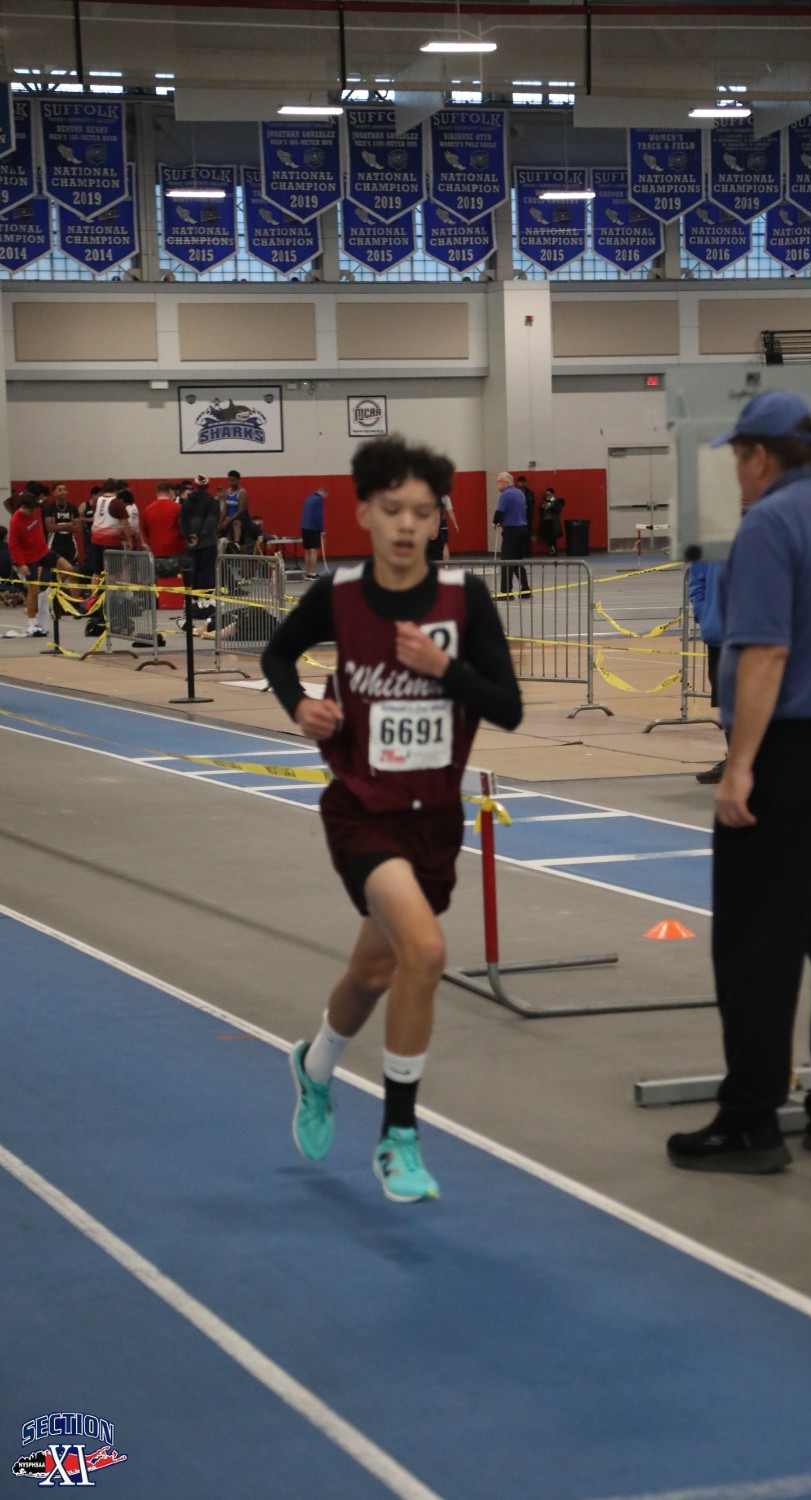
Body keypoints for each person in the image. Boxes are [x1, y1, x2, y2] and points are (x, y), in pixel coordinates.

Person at [261, 435, 522, 1203]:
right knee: (426, 952)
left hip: (433, 819)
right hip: (362, 808)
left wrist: (446, 670)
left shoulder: (465, 599)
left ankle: (313, 1066)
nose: (407, 524)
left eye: (421, 511)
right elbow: (278, 655)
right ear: (364, 515)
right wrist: (300, 705)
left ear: (439, 519)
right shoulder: (339, 595)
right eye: (391, 509)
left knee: (375, 971)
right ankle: (398, 1138)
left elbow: (507, 708)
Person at [666, 390, 811, 1175]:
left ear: (760, 457)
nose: (737, 476)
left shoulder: (769, 525)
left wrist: (741, 766)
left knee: (757, 943)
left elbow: (765, 651)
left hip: (791, 753)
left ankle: (751, 1120)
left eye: (738, 460)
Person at [5, 491, 81, 637]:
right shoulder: (16, 520)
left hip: (43, 551)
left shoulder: (38, 509)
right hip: (28, 558)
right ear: (24, 507)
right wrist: (21, 564)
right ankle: (32, 623)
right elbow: (13, 546)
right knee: (33, 591)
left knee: (68, 568)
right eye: (31, 510)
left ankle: (48, 592)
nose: (34, 512)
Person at [688, 560, 728, 785]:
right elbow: (697, 582)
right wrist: (705, 615)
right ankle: (735, 759)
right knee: (726, 699)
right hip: (718, 634)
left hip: (756, 635)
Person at [180, 473, 219, 615]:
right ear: (207, 486)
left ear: (195, 486)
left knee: (193, 570)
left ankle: (193, 600)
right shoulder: (211, 501)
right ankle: (206, 600)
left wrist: (190, 536)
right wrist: (200, 536)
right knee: (207, 570)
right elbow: (211, 522)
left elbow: (182, 522)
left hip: (191, 543)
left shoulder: (186, 502)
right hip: (207, 543)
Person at [89, 479, 134, 582]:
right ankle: (112, 593)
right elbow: (125, 524)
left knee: (96, 572)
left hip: (95, 541)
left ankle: (94, 592)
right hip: (111, 543)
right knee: (114, 572)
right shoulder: (117, 503)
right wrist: (129, 540)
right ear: (116, 490)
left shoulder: (97, 501)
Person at [494, 471, 530, 597]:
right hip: (522, 529)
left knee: (506, 560)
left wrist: (495, 522)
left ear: (506, 482)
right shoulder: (520, 493)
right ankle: (526, 589)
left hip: (511, 530)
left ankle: (506, 592)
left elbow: (499, 512)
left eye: (499, 482)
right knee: (517, 561)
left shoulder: (505, 494)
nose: (497, 484)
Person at [300, 485, 328, 579]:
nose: (324, 499)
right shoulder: (318, 500)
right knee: (313, 550)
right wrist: (321, 529)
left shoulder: (308, 499)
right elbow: (318, 516)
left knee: (307, 550)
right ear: (323, 493)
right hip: (313, 528)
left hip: (304, 527)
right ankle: (313, 573)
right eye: (325, 496)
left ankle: (308, 572)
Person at [219, 469, 250, 551]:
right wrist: (220, 521)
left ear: (238, 480)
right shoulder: (227, 492)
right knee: (221, 524)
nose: (231, 482)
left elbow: (241, 511)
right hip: (230, 518)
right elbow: (225, 509)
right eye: (229, 480)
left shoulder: (242, 493)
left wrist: (228, 520)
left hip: (241, 519)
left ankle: (236, 543)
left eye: (233, 480)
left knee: (236, 523)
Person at [426, 493, 459, 564]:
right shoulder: (445, 497)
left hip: (431, 523)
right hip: (441, 523)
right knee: (445, 545)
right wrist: (455, 524)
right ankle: (446, 565)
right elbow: (450, 511)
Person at [539, 489, 564, 555]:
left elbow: (558, 510)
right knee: (545, 535)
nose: (548, 496)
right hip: (546, 520)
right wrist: (543, 506)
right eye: (547, 494)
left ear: (552, 494)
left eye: (549, 494)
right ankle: (553, 548)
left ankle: (553, 550)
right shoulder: (545, 500)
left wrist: (550, 506)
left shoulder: (556, 501)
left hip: (553, 520)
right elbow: (542, 509)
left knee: (553, 536)